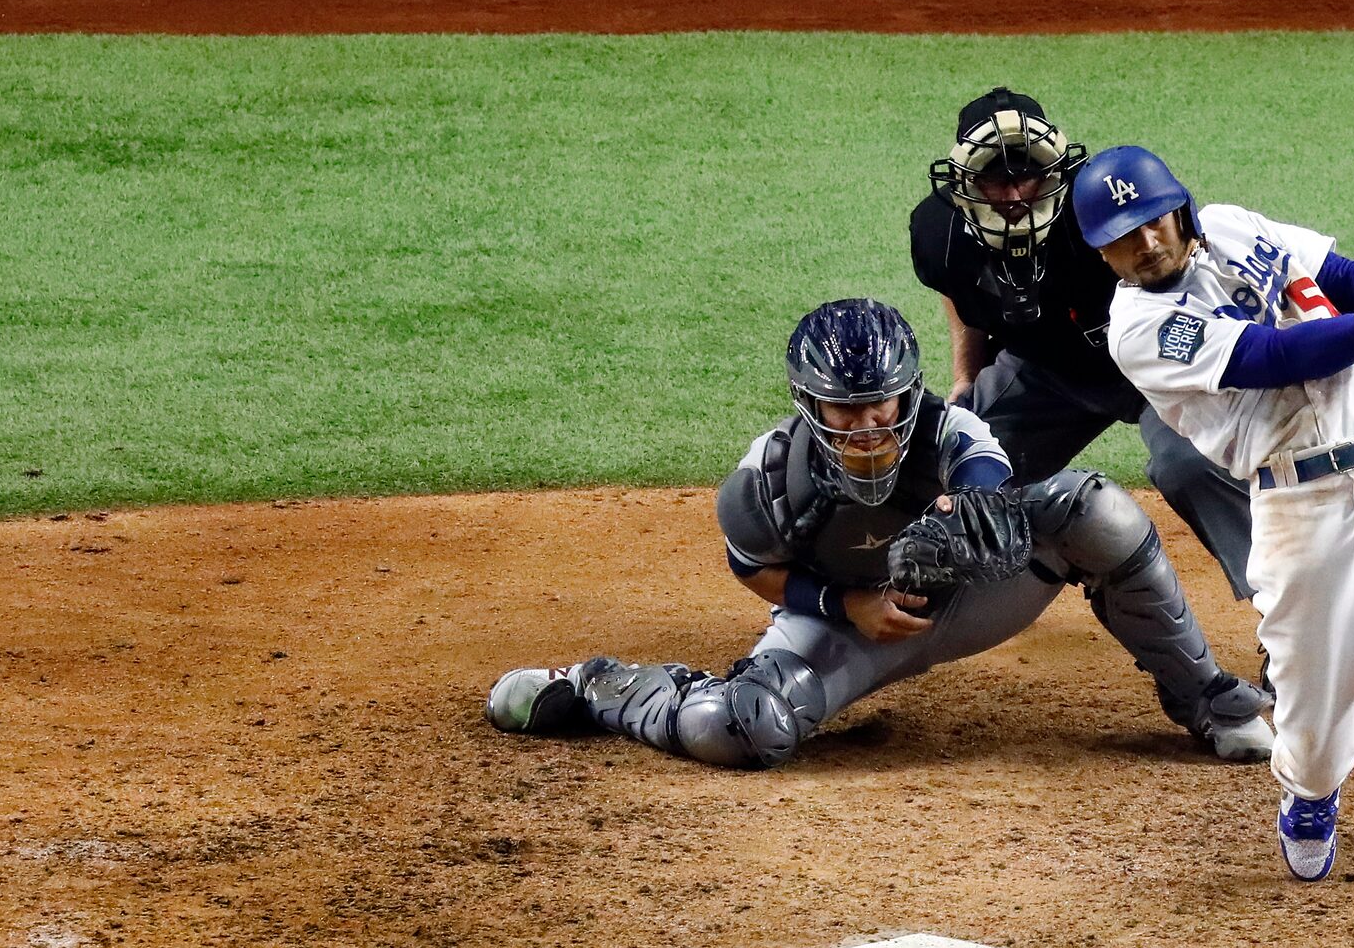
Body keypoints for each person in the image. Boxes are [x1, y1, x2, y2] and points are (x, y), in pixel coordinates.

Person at [483, 298, 1272, 767]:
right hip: (847, 627)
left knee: (1093, 508)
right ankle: (601, 686)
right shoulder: (765, 479)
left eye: (882, 406)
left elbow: (989, 487)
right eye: (845, 411)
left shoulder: (954, 433)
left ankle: (1208, 700)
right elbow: (753, 568)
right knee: (731, 731)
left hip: (970, 601)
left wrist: (965, 524)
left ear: (908, 396)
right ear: (810, 405)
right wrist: (844, 603)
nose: (866, 427)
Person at [1077, 146, 1354, 948]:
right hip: (1301, 514)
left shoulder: (1232, 228)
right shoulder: (1137, 330)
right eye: (1124, 237)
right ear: (1103, 253)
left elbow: (1341, 272)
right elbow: (1277, 356)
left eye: (1157, 218)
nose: (1148, 241)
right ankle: (1308, 794)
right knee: (1310, 734)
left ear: (1182, 209)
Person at [911, 88, 1254, 600]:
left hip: (1159, 365)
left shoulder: (1102, 202)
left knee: (1193, 465)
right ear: (965, 182)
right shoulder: (939, 231)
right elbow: (956, 292)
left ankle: (1285, 617)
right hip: (1049, 373)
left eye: (1027, 174)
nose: (1014, 196)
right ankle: (928, 592)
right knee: (953, 455)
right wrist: (967, 375)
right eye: (996, 180)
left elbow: (1187, 265)